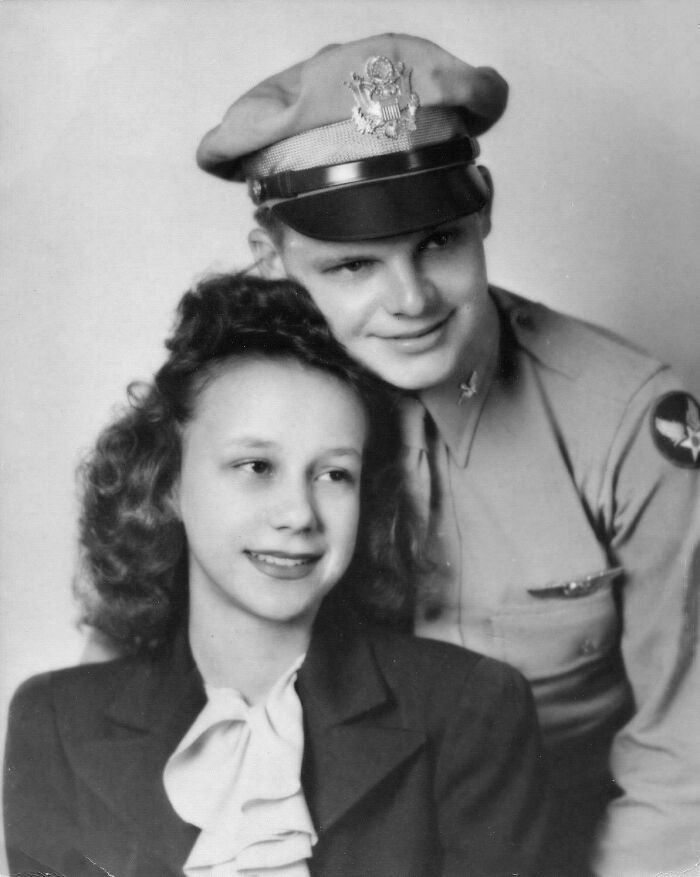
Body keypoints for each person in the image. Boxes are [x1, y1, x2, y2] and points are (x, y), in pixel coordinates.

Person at [193, 33, 700, 876]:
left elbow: (687, 750)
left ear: (484, 209)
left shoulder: (627, 423)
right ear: (270, 260)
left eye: (437, 243)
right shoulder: (228, 428)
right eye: (352, 264)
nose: (410, 300)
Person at [3, 273, 547, 877]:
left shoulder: (470, 710)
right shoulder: (53, 721)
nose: (298, 514)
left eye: (334, 474)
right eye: (256, 465)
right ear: (166, 483)